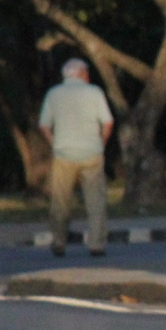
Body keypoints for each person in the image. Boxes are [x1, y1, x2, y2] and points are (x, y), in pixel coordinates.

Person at [38, 58, 115, 257]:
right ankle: (97, 244)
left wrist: (55, 143)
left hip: (64, 154)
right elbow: (108, 123)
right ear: (81, 74)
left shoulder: (53, 94)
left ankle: (59, 241)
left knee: (60, 200)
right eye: (86, 72)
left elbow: (44, 126)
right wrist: (101, 143)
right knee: (95, 201)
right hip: (91, 153)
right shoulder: (94, 92)